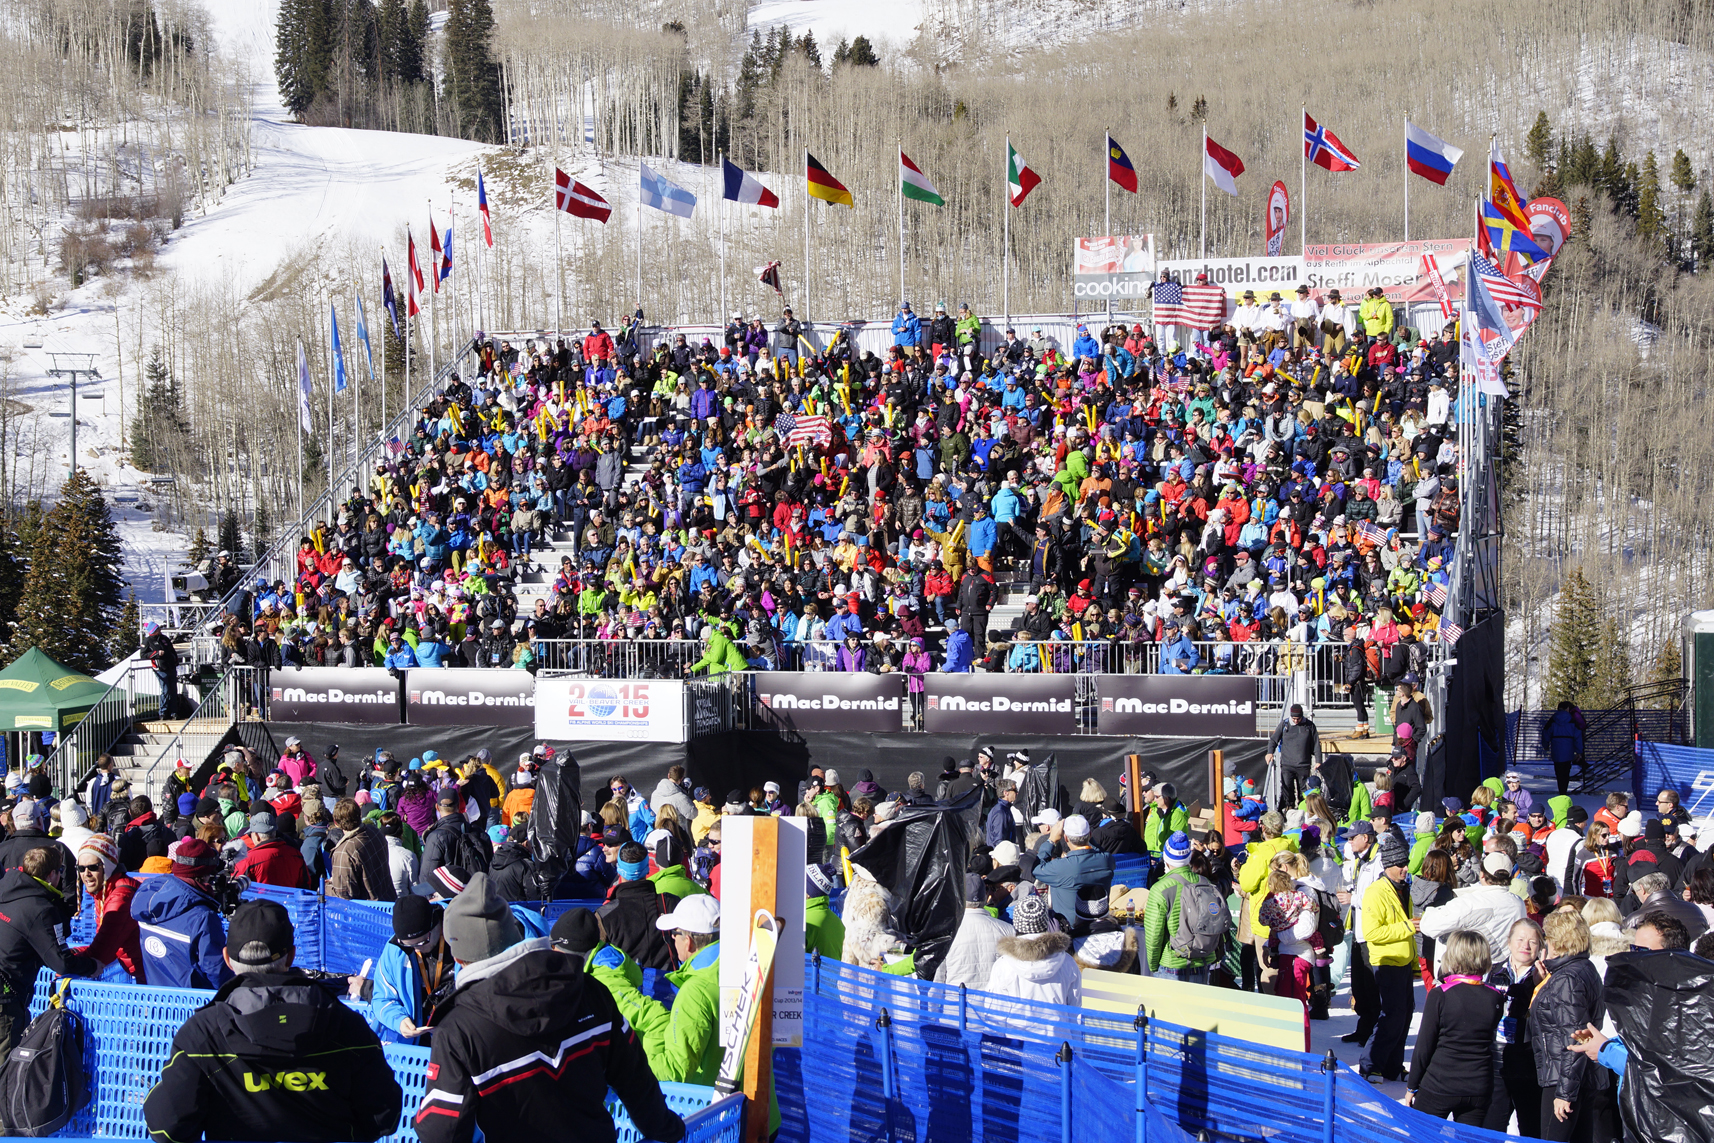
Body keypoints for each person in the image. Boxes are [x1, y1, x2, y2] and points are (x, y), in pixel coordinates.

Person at [416, 874, 684, 1143]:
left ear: (459, 957)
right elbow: (635, 1078)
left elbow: (441, 1131)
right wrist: (668, 1131)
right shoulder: (589, 989)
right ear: (513, 935)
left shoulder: (458, 1029)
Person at [145, 899, 403, 1143]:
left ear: (227, 959)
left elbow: (166, 1129)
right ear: (291, 957)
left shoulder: (202, 1034)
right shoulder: (347, 1026)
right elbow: (383, 1117)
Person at [0, 846, 98, 1065]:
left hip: (8, 987)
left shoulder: (4, 887)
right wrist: (92, 966)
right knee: (5, 1067)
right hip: (6, 997)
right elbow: (60, 962)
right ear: (52, 874)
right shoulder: (41, 908)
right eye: (61, 870)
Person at [1405, 929, 1507, 1124]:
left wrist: (1412, 1086)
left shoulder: (1440, 994)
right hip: (1479, 1084)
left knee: (1422, 1137)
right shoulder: (1495, 996)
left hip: (1441, 1082)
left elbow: (1424, 1045)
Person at [1531, 908, 1614, 1143]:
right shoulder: (1583, 968)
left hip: (1564, 1077)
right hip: (1581, 1076)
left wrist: (1564, 1093)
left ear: (1557, 940)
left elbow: (1578, 1037)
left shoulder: (1567, 978)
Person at [131, 837, 234, 990]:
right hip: (193, 1005)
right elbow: (216, 972)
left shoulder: (150, 897)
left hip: (155, 1002)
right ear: (205, 875)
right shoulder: (202, 917)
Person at [1358, 832, 1416, 1084]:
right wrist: (1409, 926)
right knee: (1391, 1015)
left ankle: (1392, 1066)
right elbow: (1372, 932)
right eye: (1400, 865)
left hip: (1403, 960)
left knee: (1405, 1016)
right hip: (1386, 961)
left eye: (1406, 864)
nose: (1405, 869)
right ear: (1387, 866)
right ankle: (1370, 1065)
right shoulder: (1376, 892)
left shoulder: (1403, 888)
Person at [1484, 918, 1545, 1136]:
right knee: (1490, 1131)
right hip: (1496, 1064)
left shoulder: (1547, 978)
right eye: (1520, 939)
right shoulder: (1491, 972)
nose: (1525, 946)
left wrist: (1539, 985)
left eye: (1532, 941)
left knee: (1532, 1132)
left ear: (1541, 947)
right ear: (1509, 942)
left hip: (1530, 1067)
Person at [369, 895, 456, 1044]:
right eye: (409, 945)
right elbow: (382, 998)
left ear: (436, 924)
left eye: (423, 942)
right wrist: (399, 1020)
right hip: (420, 1038)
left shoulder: (458, 941)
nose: (417, 948)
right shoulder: (396, 950)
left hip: (457, 1034)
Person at [1418, 851, 1528, 968]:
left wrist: (1432, 910)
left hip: (1474, 971)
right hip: (1506, 969)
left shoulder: (1470, 902)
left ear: (1482, 875)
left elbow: (1429, 926)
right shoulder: (1517, 902)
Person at [1142, 832, 1227, 982]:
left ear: (1166, 858)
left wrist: (1153, 966)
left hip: (1173, 964)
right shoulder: (1205, 883)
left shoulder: (1160, 889)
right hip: (1204, 961)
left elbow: (1154, 934)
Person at [598, 841, 681, 970]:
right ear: (647, 868)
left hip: (625, 986)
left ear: (619, 869)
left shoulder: (605, 914)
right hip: (670, 985)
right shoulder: (672, 903)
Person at [987, 894, 1081, 1007]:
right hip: (1058, 1024)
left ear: (1016, 923)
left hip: (1016, 1024)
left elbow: (994, 1010)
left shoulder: (1003, 964)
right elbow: (1075, 1008)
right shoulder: (1067, 962)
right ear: (1046, 922)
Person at [72, 833, 144, 982]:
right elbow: (101, 943)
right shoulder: (104, 893)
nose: (86, 874)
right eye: (81, 868)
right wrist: (69, 953)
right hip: (144, 972)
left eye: (92, 867)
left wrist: (63, 963)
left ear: (108, 867)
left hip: (153, 976)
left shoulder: (120, 898)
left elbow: (101, 953)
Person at [1026, 814, 1115, 929]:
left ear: (1066, 838)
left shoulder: (1061, 867)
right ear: (1090, 835)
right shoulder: (1106, 860)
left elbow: (1036, 869)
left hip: (1070, 930)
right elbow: (1099, 851)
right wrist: (1088, 837)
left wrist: (1051, 841)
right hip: (1100, 925)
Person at [936, 873, 1011, 989]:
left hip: (956, 1003)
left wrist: (933, 1007)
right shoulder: (1007, 929)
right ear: (986, 897)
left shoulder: (944, 931)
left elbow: (937, 981)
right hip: (993, 1004)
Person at [328, 798, 398, 902]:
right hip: (389, 900)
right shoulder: (375, 831)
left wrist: (326, 888)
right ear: (359, 814)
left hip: (367, 912)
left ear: (336, 823)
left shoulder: (344, 852)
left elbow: (344, 896)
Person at [233, 812, 315, 889]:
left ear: (257, 836)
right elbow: (305, 885)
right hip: (289, 903)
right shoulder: (296, 854)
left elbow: (236, 888)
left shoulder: (248, 860)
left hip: (260, 903)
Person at [1266, 704, 1322, 806]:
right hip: (1287, 764)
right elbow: (1273, 740)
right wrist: (1270, 752)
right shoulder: (1284, 724)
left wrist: (1318, 760)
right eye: (1294, 718)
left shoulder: (1310, 726)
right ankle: (1289, 808)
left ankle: (1303, 808)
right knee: (1287, 789)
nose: (1296, 721)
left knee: (1303, 790)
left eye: (1298, 718)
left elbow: (1316, 744)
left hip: (1303, 765)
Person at [1543, 702, 1585, 796]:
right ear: (1567, 709)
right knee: (1566, 772)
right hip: (1568, 750)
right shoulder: (1572, 720)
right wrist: (1579, 751)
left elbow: (1546, 732)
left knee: (1558, 772)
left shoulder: (1553, 720)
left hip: (1556, 750)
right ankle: (1564, 791)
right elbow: (1578, 736)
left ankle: (1561, 790)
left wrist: (1546, 745)